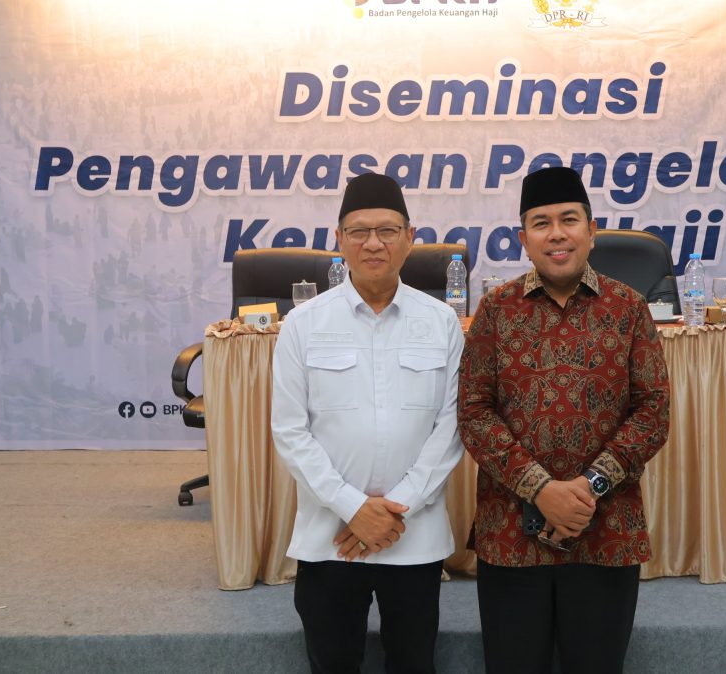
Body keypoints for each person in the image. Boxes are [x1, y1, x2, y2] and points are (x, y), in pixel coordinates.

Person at [457, 166, 670, 674]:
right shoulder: (496, 310)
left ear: (591, 231)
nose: (556, 234)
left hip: (605, 531)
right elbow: (474, 412)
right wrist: (541, 489)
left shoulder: (628, 308)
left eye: (569, 220)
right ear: (523, 239)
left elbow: (652, 412)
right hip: (512, 534)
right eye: (541, 223)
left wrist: (587, 488)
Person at [272, 172, 464, 674]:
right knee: (332, 662)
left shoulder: (442, 322)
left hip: (413, 534)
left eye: (387, 231)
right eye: (359, 231)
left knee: (413, 662)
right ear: (339, 239)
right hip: (331, 536)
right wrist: (352, 508)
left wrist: (395, 509)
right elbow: (290, 431)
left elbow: (452, 427)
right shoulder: (303, 324)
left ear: (410, 238)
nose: (373, 243)